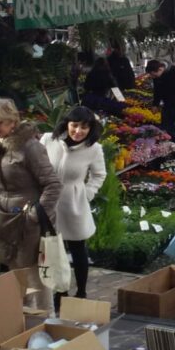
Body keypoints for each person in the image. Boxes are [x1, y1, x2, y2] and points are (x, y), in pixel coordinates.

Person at [0, 99, 63, 311]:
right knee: (14, 275)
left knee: (36, 277)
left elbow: (53, 184)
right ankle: (20, 322)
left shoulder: (31, 147)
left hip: (28, 222)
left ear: (12, 121)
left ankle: (45, 324)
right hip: (4, 219)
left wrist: (35, 214)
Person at [41, 107, 106, 303]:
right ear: (67, 124)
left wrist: (86, 193)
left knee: (78, 247)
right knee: (54, 250)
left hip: (74, 202)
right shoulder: (48, 140)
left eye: (84, 127)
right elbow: (36, 165)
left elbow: (99, 174)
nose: (78, 131)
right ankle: (60, 292)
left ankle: (81, 292)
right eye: (74, 125)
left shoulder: (93, 149)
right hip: (50, 202)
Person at [146, 60, 175, 158]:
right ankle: (170, 155)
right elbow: (157, 91)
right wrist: (155, 104)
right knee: (166, 132)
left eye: (154, 75)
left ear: (160, 69)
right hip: (167, 106)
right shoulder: (157, 77)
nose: (153, 77)